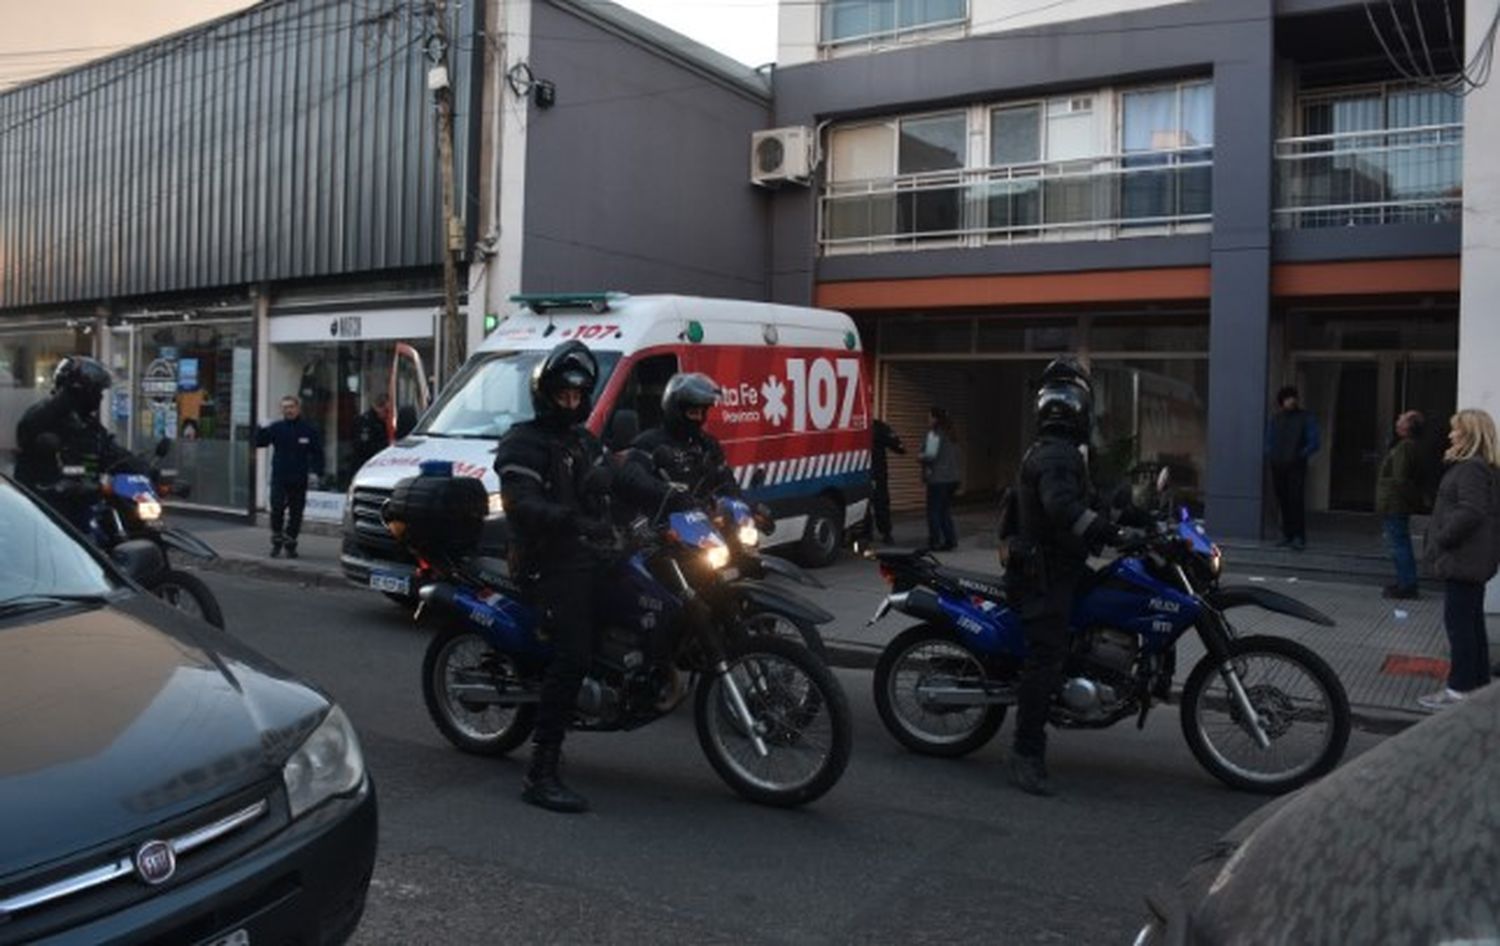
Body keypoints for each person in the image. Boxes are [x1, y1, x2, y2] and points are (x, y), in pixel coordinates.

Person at [493, 341, 671, 813]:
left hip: (591, 553)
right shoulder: (522, 443)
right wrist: (571, 521)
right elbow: (522, 504)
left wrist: (669, 496)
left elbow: (618, 478)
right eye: (563, 396)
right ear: (546, 394)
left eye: (578, 396)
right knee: (573, 652)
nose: (570, 403)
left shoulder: (583, 440)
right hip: (546, 561)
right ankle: (541, 772)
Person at [1008, 357, 1143, 796]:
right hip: (1043, 575)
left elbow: (1093, 500)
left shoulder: (1059, 452)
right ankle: (1027, 753)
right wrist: (1109, 531)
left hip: (1058, 565)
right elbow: (1062, 508)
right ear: (1079, 410)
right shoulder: (1056, 456)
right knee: (1044, 658)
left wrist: (1135, 515)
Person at [1418, 409, 1500, 712]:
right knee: (1472, 623)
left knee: (1460, 625)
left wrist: (1442, 538)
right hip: (1472, 559)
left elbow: (1471, 510)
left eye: (1456, 430)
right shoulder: (1484, 467)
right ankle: (1478, 684)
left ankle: (1459, 689)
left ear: (1470, 434)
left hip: (1463, 558)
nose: (1451, 435)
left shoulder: (1471, 469)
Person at [14, 356, 132, 528]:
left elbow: (113, 452)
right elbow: (29, 430)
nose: (100, 397)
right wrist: (68, 394)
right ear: (79, 390)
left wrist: (145, 470)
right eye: (96, 391)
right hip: (45, 514)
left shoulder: (89, 425)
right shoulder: (42, 418)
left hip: (84, 507)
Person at [627, 372, 738, 499]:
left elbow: (727, 482)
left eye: (702, 412)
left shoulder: (708, 445)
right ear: (675, 410)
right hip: (663, 516)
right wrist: (671, 495)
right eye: (693, 412)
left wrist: (738, 506)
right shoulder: (648, 443)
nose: (699, 418)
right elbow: (634, 481)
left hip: (704, 516)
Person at [255, 395, 324, 559]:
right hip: (280, 476)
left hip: (299, 478)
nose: (288, 410)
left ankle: (291, 543)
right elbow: (260, 443)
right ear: (282, 410)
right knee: (277, 509)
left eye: (291, 407)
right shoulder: (276, 428)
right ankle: (277, 540)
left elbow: (317, 453)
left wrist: (316, 472)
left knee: (296, 513)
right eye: (285, 407)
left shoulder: (308, 429)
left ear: (298, 408)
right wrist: (261, 428)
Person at [1375, 411, 1427, 599]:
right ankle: (1405, 581)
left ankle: (1407, 584)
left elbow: (1400, 478)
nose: (1397, 422)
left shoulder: (1405, 447)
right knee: (1399, 543)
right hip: (1397, 502)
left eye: (1401, 420)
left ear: (1408, 426)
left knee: (1399, 544)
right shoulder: (1410, 446)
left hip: (1395, 503)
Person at [1264, 386, 1320, 551]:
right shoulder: (1276, 419)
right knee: (1283, 500)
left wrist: (1301, 454)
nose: (1292, 401)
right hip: (1278, 464)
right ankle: (1287, 535)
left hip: (1296, 465)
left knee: (1296, 500)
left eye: (1293, 398)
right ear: (1282, 401)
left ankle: (1299, 537)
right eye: (1288, 398)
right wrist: (1271, 455)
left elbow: (1314, 441)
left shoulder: (1306, 417)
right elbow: (1269, 439)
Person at [920, 406, 961, 551]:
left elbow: (930, 455)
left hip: (938, 479)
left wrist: (920, 456)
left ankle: (935, 541)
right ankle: (950, 539)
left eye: (929, 417)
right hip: (953, 479)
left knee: (934, 511)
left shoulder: (934, 434)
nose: (928, 419)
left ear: (935, 419)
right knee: (944, 510)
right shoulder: (952, 434)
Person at [869, 419, 905, 544]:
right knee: (880, 503)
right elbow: (898, 446)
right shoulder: (878, 426)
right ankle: (884, 533)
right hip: (876, 472)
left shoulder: (876, 426)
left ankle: (868, 533)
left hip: (864, 471)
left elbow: (897, 445)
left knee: (872, 503)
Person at [352, 393, 392, 472]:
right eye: (386, 411)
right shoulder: (366, 422)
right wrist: (386, 445)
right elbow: (364, 446)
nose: (387, 415)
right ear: (378, 408)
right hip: (363, 465)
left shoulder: (381, 422)